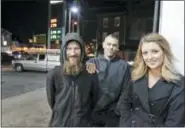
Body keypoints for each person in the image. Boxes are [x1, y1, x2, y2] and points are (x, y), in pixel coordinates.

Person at [119, 33, 185, 127]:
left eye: (155, 51)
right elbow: (124, 103)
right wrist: (125, 124)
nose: (150, 57)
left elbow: (175, 122)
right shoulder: (136, 76)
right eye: (145, 53)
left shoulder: (178, 83)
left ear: (164, 52)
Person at [46, 33, 99, 127]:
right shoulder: (54, 74)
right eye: (69, 49)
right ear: (64, 51)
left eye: (76, 49)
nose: (73, 53)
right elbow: (52, 102)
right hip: (59, 124)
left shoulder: (91, 74)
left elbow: (94, 101)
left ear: (82, 51)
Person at [86, 33, 131, 126]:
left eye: (114, 45)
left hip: (112, 114)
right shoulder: (92, 63)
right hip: (92, 112)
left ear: (117, 47)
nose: (111, 47)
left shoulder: (124, 66)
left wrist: (117, 111)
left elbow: (126, 90)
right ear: (103, 45)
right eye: (108, 44)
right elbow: (85, 87)